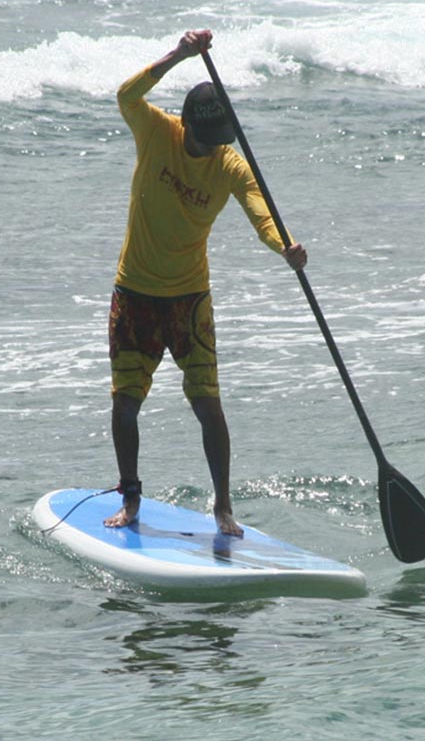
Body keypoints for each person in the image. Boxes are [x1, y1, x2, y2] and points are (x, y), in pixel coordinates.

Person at [105, 29, 307, 536]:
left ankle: (223, 507)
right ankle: (130, 498)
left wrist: (284, 246)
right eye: (205, 138)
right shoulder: (156, 131)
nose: (212, 149)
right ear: (187, 124)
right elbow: (126, 94)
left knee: (208, 405)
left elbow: (262, 213)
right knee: (126, 405)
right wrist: (177, 54)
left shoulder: (230, 164)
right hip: (135, 295)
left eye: (220, 142)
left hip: (189, 301)